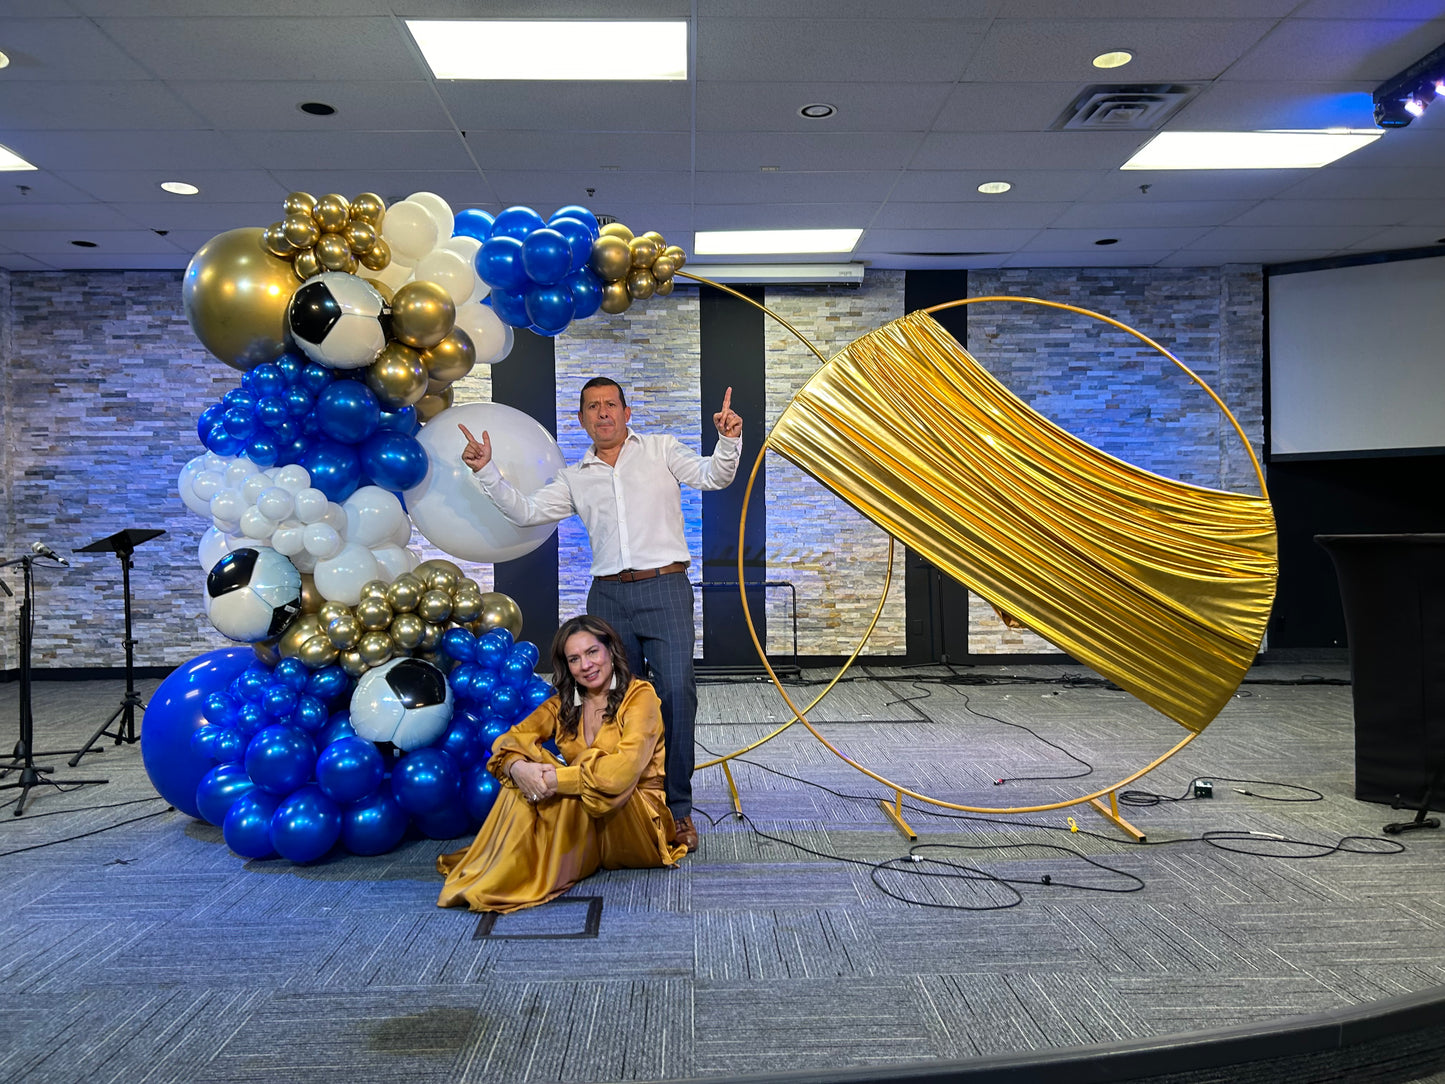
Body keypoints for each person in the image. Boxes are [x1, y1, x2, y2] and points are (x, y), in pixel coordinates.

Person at [457, 377, 742, 851]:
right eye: (593, 407)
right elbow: (526, 512)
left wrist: (728, 439)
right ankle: (622, 800)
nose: (603, 413)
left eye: (611, 404)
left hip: (666, 587)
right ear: (582, 420)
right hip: (608, 599)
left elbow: (714, 475)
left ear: (627, 413)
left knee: (675, 693)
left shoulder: (661, 449)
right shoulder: (575, 476)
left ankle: (678, 810)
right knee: (609, 702)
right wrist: (488, 472)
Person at [437, 614, 687, 914]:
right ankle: (505, 870)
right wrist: (519, 769)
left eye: (593, 652)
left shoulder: (640, 696)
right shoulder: (565, 702)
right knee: (527, 762)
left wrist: (554, 780)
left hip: (634, 821)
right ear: (566, 666)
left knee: (569, 769)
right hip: (588, 813)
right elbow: (510, 740)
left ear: (611, 650)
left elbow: (620, 774)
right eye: (574, 659)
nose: (586, 665)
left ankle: (507, 873)